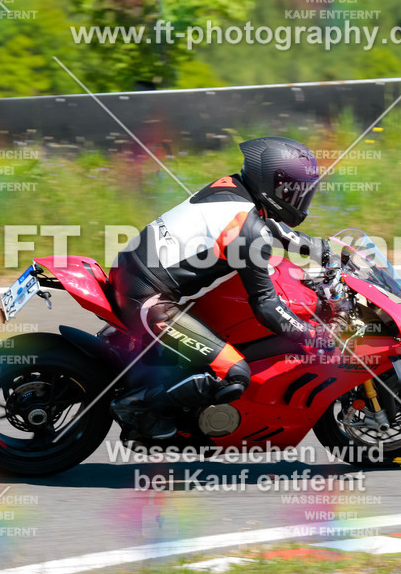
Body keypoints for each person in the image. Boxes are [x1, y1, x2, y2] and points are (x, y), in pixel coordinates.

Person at [110, 136, 331, 440]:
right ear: (272, 186)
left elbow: (270, 226)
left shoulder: (233, 188)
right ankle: (140, 411)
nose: (298, 198)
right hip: (148, 299)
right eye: (292, 190)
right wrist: (312, 335)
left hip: (131, 271)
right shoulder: (249, 232)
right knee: (234, 373)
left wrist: (319, 248)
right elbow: (266, 306)